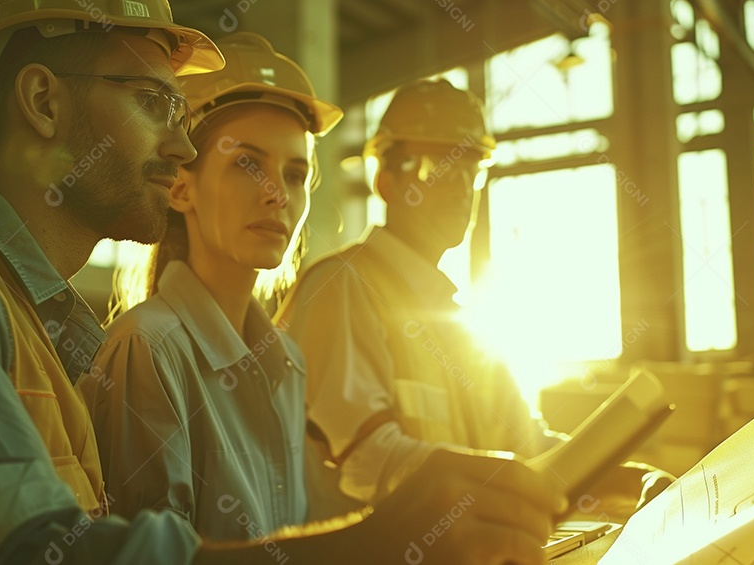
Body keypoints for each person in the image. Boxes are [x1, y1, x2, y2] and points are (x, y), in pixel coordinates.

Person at [0, 0, 565, 564]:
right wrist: (374, 544)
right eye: (153, 104)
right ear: (42, 103)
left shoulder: (47, 328)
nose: (180, 148)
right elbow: (38, 553)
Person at [278, 78, 671, 514]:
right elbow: (365, 460)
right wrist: (502, 486)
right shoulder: (345, 288)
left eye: (473, 170)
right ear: (386, 181)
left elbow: (530, 448)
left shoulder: (466, 324)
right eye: (437, 166)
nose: (462, 186)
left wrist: (629, 477)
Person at [80, 31, 343, 539]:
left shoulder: (286, 361)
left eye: (294, 174)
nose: (277, 195)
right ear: (180, 187)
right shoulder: (147, 350)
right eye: (248, 163)